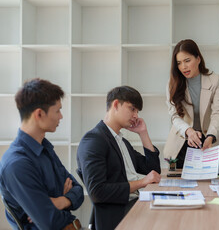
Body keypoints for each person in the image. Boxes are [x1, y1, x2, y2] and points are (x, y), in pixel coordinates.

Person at [0, 78, 84, 230]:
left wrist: (61, 201)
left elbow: (78, 189)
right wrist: (64, 201)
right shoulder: (17, 164)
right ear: (39, 114)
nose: (61, 116)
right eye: (57, 110)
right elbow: (50, 222)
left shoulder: (44, 148)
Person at [77, 86, 161, 230]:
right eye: (132, 109)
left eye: (137, 111)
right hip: (119, 214)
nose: (136, 115)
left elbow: (152, 170)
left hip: (135, 204)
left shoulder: (121, 141)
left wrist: (143, 133)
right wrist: (141, 182)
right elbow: (97, 192)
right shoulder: (93, 140)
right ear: (116, 105)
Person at [164, 39, 219, 168]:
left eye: (187, 61)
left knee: (215, 181)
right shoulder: (173, 84)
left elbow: (217, 112)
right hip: (183, 139)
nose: (183, 67)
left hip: (210, 137)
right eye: (179, 63)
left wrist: (210, 136)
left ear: (198, 59)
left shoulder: (216, 80)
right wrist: (189, 131)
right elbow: (174, 116)